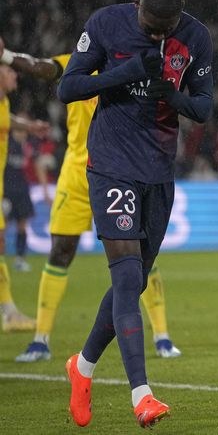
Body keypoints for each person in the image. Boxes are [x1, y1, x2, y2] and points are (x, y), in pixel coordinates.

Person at [57, 0, 213, 428]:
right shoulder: (106, 24)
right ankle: (141, 395)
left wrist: (174, 96)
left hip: (158, 174)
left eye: (165, 30)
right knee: (126, 278)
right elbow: (68, 87)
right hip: (111, 165)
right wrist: (123, 74)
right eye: (150, 27)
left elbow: (204, 107)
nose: (157, 36)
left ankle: (82, 366)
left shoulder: (196, 37)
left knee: (136, 280)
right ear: (137, 5)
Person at [0, 42, 183, 363]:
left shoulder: (132, 66)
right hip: (77, 173)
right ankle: (40, 340)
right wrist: (5, 56)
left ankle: (162, 336)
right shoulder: (74, 61)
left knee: (140, 255)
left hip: (121, 171)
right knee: (60, 251)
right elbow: (41, 67)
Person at [0, 63, 49, 332]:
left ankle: (9, 313)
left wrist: (28, 126)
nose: (15, 74)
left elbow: (8, 119)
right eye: (9, 70)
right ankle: (9, 313)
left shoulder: (4, 103)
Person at [3, 113, 38, 272]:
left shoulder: (29, 144)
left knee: (22, 225)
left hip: (22, 189)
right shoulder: (6, 141)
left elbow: (37, 164)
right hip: (6, 190)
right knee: (3, 225)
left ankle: (20, 259)